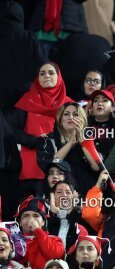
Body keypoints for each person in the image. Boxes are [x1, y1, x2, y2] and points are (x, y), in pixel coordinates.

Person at [9, 63, 73, 198]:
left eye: (51, 72)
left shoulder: (69, 106)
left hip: (62, 168)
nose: (47, 76)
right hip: (32, 168)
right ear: (37, 78)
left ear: (59, 76)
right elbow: (13, 130)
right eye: (42, 73)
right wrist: (35, 140)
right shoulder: (27, 101)